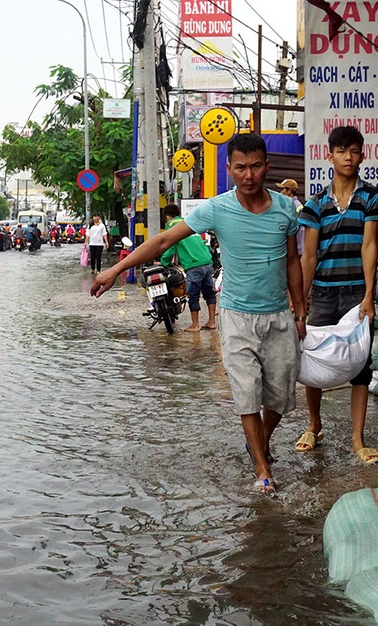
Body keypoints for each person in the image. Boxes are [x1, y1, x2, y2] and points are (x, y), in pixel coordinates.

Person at [91, 133, 305, 494]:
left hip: (279, 315)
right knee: (246, 393)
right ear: (229, 169)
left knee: (281, 396)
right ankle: (262, 466)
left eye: (255, 166)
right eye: (240, 167)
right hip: (236, 316)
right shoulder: (216, 208)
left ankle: (259, 442)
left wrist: (300, 311)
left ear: (266, 166)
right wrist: (115, 270)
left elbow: (292, 260)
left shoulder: (286, 209)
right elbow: (162, 242)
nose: (248, 175)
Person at [296, 125, 378, 465]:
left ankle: (357, 439)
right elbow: (309, 255)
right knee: (313, 359)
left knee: (361, 367)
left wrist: (368, 296)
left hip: (355, 297)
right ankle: (314, 424)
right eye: (342, 151)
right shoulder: (315, 203)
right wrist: (302, 300)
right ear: (329, 155)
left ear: (362, 154)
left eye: (355, 151)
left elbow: (369, 245)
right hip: (322, 294)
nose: (349, 157)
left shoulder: (371, 198)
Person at [160, 203, 218, 332]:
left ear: (168, 217)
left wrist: (163, 262)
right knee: (209, 292)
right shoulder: (188, 222)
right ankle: (212, 322)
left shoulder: (172, 225)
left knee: (193, 294)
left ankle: (195, 325)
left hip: (194, 264)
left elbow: (171, 246)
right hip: (207, 261)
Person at [275, 178, 305, 255]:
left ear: (289, 191)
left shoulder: (297, 207)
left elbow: (301, 231)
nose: (280, 192)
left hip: (296, 252)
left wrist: (300, 251)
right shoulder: (286, 205)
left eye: (282, 189)